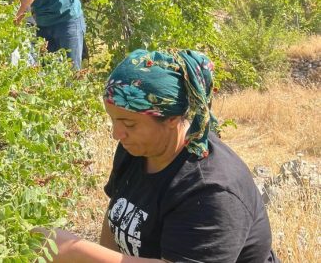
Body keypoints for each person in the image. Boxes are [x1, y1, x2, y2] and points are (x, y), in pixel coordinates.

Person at [34, 49, 277, 262]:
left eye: (128, 124)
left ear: (171, 120)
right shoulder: (137, 149)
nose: (116, 134)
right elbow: (115, 216)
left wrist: (78, 252)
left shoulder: (212, 190)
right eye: (113, 120)